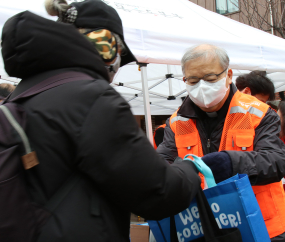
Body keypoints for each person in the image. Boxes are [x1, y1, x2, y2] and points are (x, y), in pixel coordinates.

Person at [1, 0, 201, 241]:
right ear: (106, 46)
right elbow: (159, 193)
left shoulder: (22, 93)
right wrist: (190, 168)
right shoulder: (91, 97)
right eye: (118, 52)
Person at [157, 44, 285, 241]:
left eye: (210, 79)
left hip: (262, 226)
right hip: (204, 227)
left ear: (228, 74)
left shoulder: (259, 113)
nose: (201, 87)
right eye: (192, 80)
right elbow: (161, 164)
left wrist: (229, 163)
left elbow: (276, 161)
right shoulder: (176, 122)